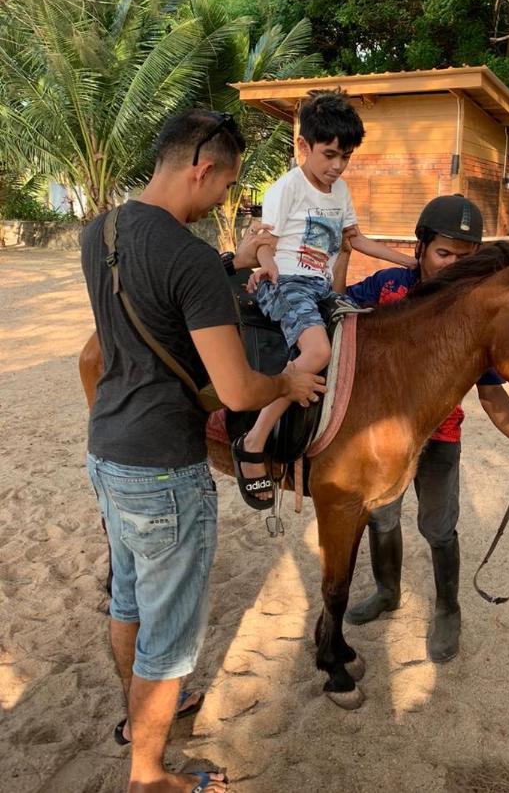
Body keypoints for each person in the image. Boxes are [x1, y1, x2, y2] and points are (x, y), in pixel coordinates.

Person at [81, 109, 326, 793]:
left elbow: (146, 288)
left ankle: (142, 721)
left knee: (128, 598)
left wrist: (228, 264)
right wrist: (287, 378)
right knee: (170, 633)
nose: (227, 199)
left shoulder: (98, 231)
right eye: (227, 185)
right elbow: (238, 390)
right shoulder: (188, 259)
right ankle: (149, 774)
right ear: (201, 168)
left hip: (107, 450)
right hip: (164, 467)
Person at [337, 194, 509, 663]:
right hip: (381, 439)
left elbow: (491, 393)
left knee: (439, 526)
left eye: (464, 258)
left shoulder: (471, 314)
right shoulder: (388, 287)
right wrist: (342, 255)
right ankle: (388, 591)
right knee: (381, 517)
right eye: (444, 253)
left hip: (439, 438)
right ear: (421, 247)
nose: (451, 265)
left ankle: (448, 609)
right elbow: (337, 312)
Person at [232, 89, 416, 506]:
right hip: (287, 283)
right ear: (303, 146)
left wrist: (409, 262)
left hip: (318, 287)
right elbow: (265, 241)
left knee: (365, 337)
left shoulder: (341, 192)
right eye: (329, 154)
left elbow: (357, 240)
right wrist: (269, 264)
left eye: (345, 156)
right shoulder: (288, 188)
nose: (337, 166)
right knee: (315, 352)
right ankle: (255, 440)